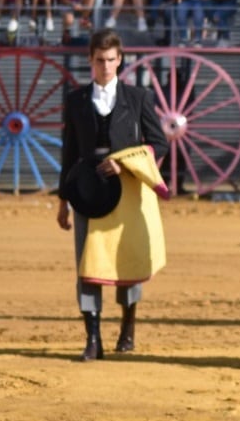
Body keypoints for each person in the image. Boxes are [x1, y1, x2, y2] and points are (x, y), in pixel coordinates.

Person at [57, 29, 169, 360]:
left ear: (119, 60)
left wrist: (126, 164)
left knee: (125, 260)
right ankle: (93, 338)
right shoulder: (76, 100)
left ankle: (127, 328)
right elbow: (70, 153)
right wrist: (62, 200)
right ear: (90, 61)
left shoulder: (138, 98)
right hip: (88, 192)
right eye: (99, 60)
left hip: (127, 190)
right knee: (87, 261)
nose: (105, 66)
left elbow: (159, 143)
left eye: (110, 60)